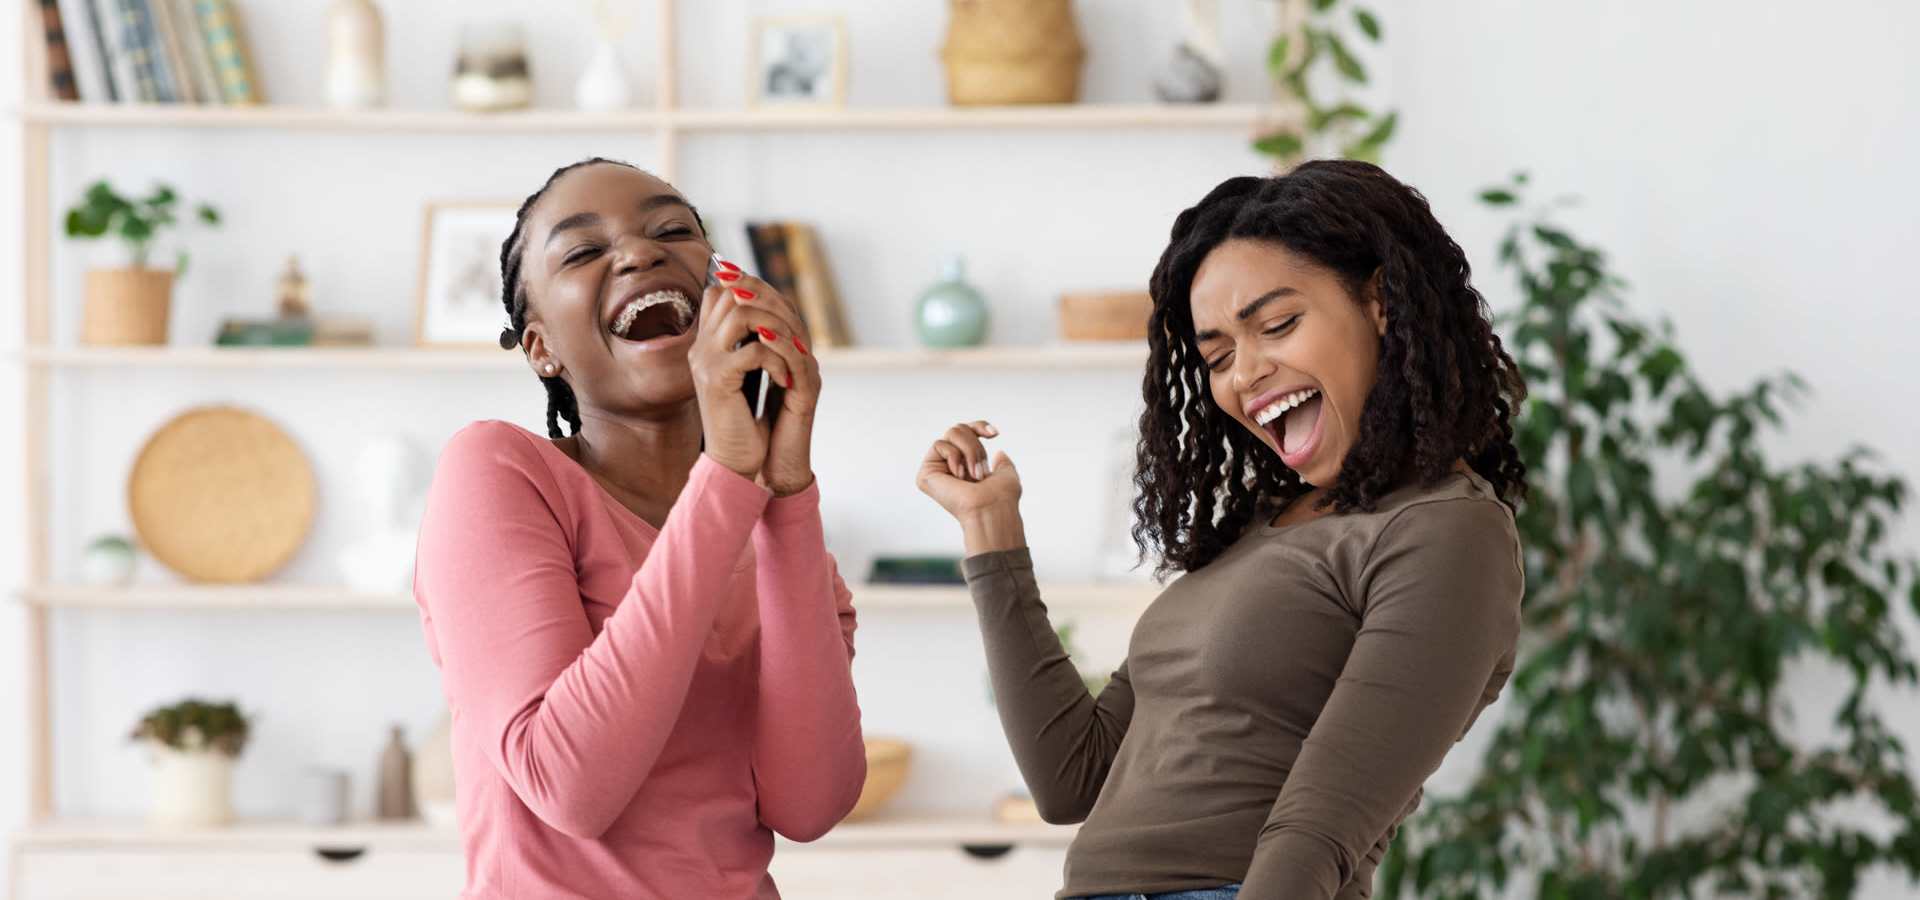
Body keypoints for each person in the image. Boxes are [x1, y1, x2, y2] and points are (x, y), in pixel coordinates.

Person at [916, 160, 1528, 900]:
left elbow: (1315, 835)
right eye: (1218, 356)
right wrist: (990, 526)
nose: (1245, 374)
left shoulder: (1448, 531)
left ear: (1381, 303)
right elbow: (1071, 777)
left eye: (1278, 325)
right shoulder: (1256, 526)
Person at [414, 157, 865, 899]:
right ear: (540, 348)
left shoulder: (786, 541)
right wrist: (727, 476)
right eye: (584, 251)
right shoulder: (497, 471)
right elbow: (566, 784)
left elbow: (808, 805)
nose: (638, 253)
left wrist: (785, 497)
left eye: (673, 231)